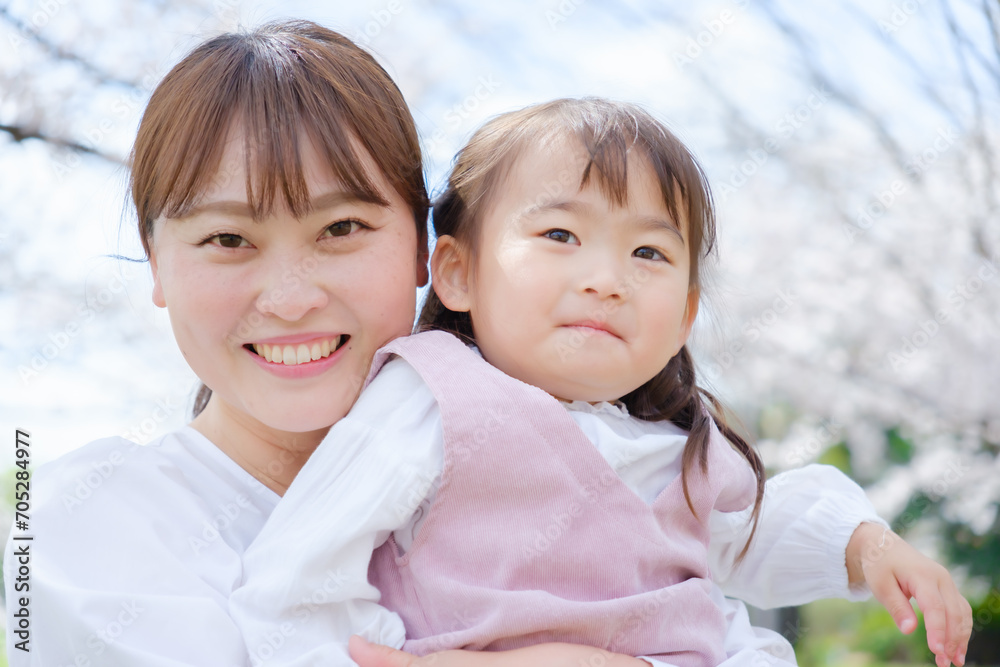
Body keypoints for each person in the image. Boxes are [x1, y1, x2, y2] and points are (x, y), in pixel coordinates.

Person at [229, 98, 972, 667]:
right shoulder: (433, 398)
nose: (607, 279)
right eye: (560, 235)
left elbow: (749, 532)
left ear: (684, 317)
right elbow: (297, 578)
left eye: (649, 253)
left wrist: (868, 546)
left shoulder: (681, 443)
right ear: (456, 272)